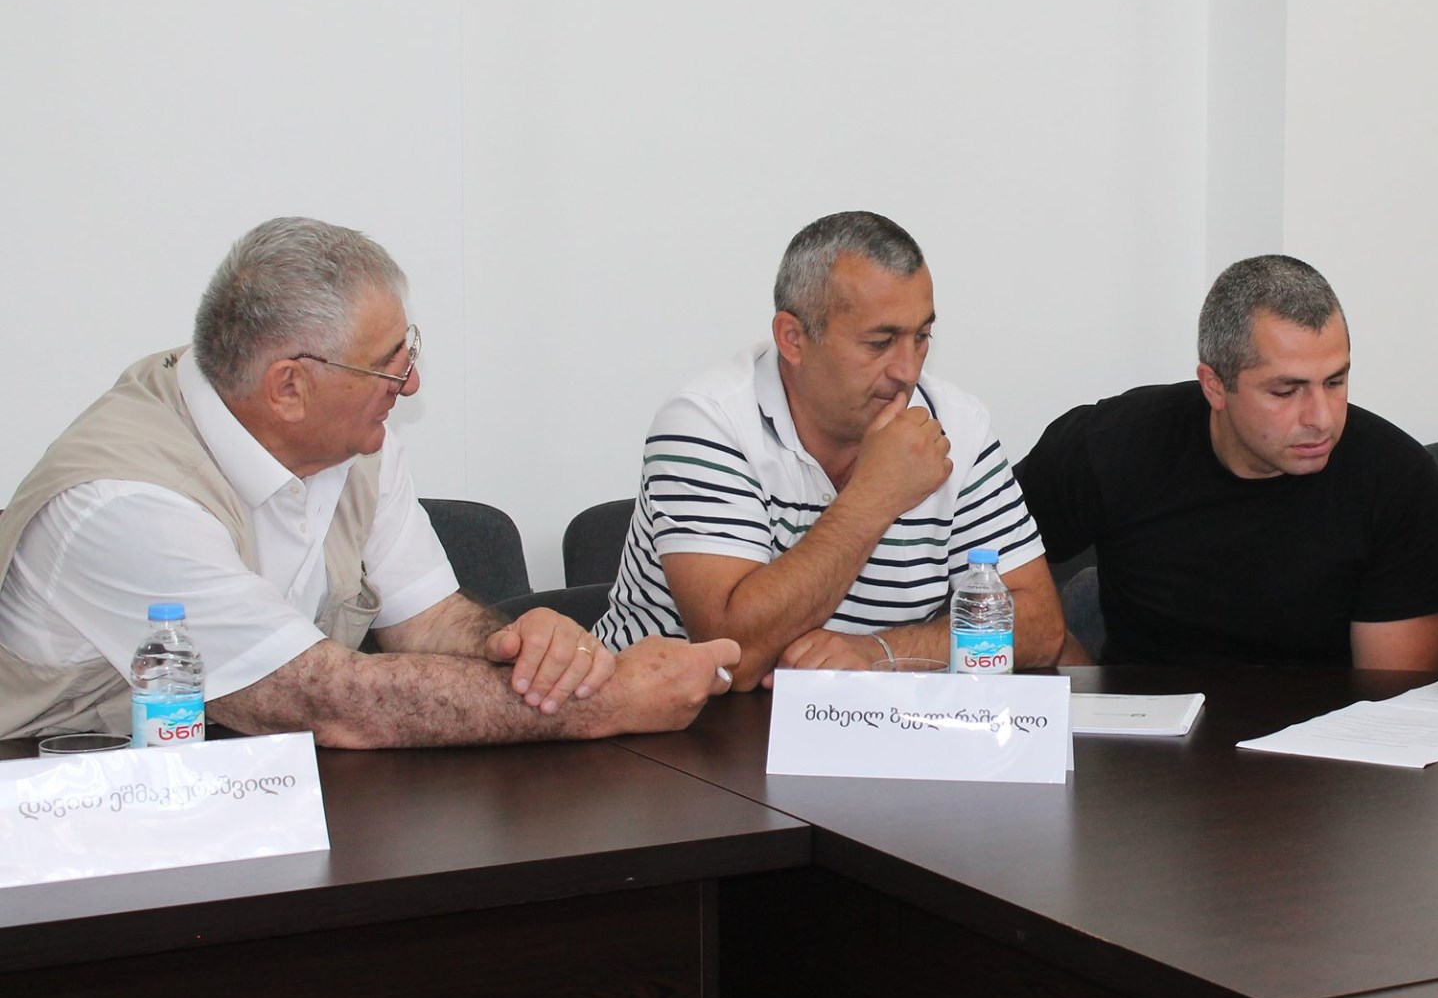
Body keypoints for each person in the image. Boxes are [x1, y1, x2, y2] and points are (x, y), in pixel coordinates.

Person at [0, 218, 736, 746]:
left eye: (408, 349)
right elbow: (321, 699)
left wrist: (521, 645)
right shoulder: (124, 504)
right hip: (69, 823)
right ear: (289, 386)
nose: (410, 384)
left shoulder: (350, 437)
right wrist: (603, 701)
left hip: (245, 790)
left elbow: (431, 622)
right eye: (389, 363)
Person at [594, 211, 1063, 687]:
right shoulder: (707, 422)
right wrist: (874, 496)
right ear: (793, 339)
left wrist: (881, 652)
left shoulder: (957, 424)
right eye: (880, 342)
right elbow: (732, 658)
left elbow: (1040, 627)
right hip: (671, 722)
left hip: (858, 723)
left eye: (921, 337)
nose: (908, 370)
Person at [1016, 255, 1438, 669]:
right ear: (1214, 386)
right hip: (1144, 718)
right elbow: (984, 566)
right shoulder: (1112, 446)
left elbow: (1394, 700)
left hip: (1329, 723)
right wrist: (1074, 676)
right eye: (1286, 391)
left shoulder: (1396, 479)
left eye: (1335, 382)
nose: (1321, 419)